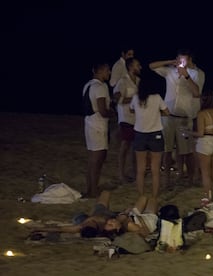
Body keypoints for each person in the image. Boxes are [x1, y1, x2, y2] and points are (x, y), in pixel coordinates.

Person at [149, 49, 205, 185]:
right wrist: (170, 62)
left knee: (186, 151)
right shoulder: (170, 71)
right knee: (167, 150)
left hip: (184, 117)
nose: (181, 63)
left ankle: (190, 177)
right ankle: (167, 178)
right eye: (179, 60)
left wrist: (186, 76)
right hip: (168, 116)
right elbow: (151, 66)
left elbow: (197, 93)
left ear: (190, 60)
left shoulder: (196, 73)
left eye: (183, 60)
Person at [27, 191, 158, 239]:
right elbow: (143, 231)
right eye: (91, 223)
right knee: (149, 200)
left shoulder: (83, 225)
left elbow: (60, 228)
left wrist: (39, 228)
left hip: (103, 212)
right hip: (125, 217)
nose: (89, 222)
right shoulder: (117, 223)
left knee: (105, 193)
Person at [184, 88, 213, 202]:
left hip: (205, 143)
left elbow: (200, 133)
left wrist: (187, 132)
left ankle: (207, 198)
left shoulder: (202, 114)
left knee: (205, 173)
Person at [129, 82, 169, 199]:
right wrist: (157, 113)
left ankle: (141, 195)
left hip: (140, 134)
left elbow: (131, 110)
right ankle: (154, 195)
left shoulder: (136, 98)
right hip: (155, 134)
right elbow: (167, 112)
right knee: (155, 169)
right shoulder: (156, 98)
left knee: (140, 169)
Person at [82, 61, 116, 198]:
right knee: (97, 159)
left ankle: (90, 188)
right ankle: (93, 190)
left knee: (92, 159)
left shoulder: (88, 85)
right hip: (98, 125)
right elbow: (102, 110)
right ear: (100, 71)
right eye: (108, 70)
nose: (109, 73)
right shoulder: (101, 87)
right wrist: (112, 113)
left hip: (89, 123)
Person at [113, 57, 142, 184]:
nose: (140, 67)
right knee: (125, 146)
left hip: (137, 118)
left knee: (135, 147)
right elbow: (117, 99)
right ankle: (120, 173)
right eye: (137, 65)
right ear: (131, 67)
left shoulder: (139, 81)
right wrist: (134, 100)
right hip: (125, 117)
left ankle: (133, 171)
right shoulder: (123, 81)